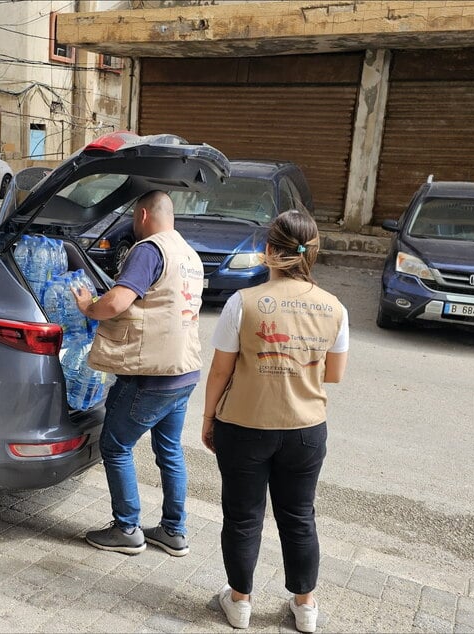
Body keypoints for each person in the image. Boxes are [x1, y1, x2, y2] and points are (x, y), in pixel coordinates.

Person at [201, 210, 349, 632]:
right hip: (305, 428)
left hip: (244, 425)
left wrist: (209, 418)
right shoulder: (334, 307)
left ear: (268, 251)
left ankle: (240, 603)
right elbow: (334, 374)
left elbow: (220, 372)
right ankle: (305, 608)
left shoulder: (242, 303)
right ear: (313, 252)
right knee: (299, 516)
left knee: (243, 516)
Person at [71, 190, 204, 557]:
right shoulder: (189, 255)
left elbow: (116, 301)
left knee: (115, 445)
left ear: (143, 215)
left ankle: (127, 528)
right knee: (170, 451)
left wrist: (87, 306)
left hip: (151, 374)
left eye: (133, 217)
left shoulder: (149, 250)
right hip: (184, 372)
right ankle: (174, 531)